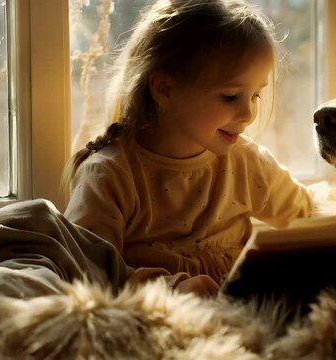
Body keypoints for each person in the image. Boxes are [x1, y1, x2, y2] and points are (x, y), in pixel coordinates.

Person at [61, 0, 313, 296]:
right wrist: (172, 288)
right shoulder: (111, 176)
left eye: (255, 95)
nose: (248, 114)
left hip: (241, 319)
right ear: (165, 90)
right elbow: (88, 270)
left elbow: (308, 214)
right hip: (156, 318)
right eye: (231, 96)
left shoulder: (248, 163)